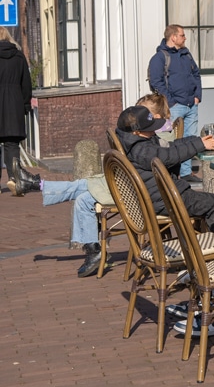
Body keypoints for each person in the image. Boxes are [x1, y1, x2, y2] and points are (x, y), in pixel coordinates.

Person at [19, 95, 175, 277]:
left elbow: (157, 156)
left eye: (142, 114)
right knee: (82, 194)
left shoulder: (160, 135)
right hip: (127, 181)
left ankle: (36, 185)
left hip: (137, 190)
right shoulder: (147, 132)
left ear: (154, 117)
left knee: (82, 192)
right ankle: (93, 250)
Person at [148, 25, 202, 179]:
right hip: (175, 106)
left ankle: (186, 173)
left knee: (190, 138)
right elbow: (156, 83)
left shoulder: (186, 54)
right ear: (173, 37)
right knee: (171, 140)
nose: (185, 38)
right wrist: (170, 103)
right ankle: (172, 175)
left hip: (191, 105)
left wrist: (197, 96)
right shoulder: (159, 58)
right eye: (182, 35)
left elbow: (196, 75)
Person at [0, 28, 39, 195]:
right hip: (14, 104)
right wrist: (24, 105)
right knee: (12, 144)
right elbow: (26, 84)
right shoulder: (18, 56)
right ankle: (15, 179)